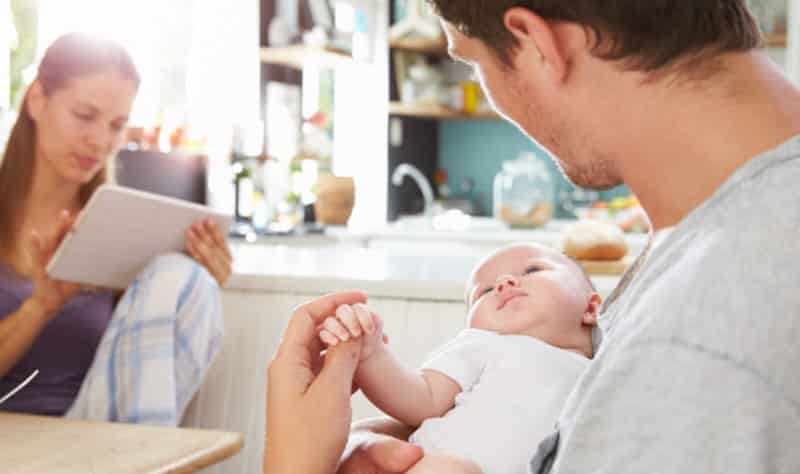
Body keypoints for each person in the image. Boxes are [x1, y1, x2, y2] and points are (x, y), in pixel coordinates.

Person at [264, 0, 800, 473]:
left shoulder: (697, 342)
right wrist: (389, 437)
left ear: (538, 44)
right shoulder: (713, 240)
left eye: (472, 62)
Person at [0, 33, 231, 426]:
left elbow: (143, 369)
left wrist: (202, 279)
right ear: (37, 99)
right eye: (85, 116)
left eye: (117, 125)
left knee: (182, 278)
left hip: (92, 434)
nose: (101, 141)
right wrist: (40, 306)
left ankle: (139, 457)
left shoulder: (115, 229)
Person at [317, 243, 601, 473]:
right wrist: (372, 354)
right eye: (485, 291)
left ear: (590, 308)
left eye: (532, 269)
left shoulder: (605, 371)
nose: (504, 283)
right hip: (432, 464)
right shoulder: (483, 344)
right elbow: (420, 397)